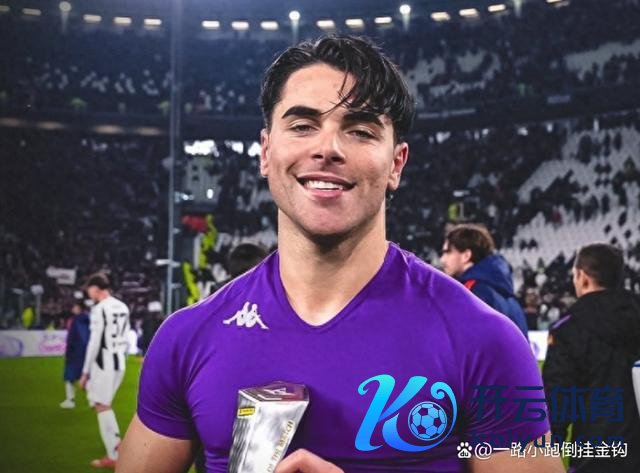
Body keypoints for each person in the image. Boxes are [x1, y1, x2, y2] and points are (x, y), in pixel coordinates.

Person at [117, 35, 563, 472]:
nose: (327, 148)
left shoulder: (485, 342)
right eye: (302, 125)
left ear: (396, 163)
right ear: (266, 152)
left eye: (361, 131)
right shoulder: (187, 338)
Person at [543, 243, 640, 472]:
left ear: (583, 277)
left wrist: (547, 455)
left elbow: (557, 400)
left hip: (596, 456)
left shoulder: (569, 328)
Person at [440, 223, 529, 337]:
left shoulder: (470, 292)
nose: (442, 260)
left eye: (447, 252)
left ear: (466, 255)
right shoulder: (511, 299)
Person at [80, 273, 130, 469]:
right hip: (119, 363)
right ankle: (116, 446)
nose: (88, 294)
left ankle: (114, 454)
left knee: (101, 405)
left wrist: (85, 372)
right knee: (102, 403)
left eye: (89, 290)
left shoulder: (99, 309)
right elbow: (126, 338)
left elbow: (94, 343)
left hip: (104, 363)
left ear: (95, 288)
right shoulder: (123, 306)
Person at [60, 301, 90, 409]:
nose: (72, 308)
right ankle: (94, 400)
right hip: (85, 354)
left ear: (78, 308)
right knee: (86, 378)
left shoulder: (76, 321)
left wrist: (69, 352)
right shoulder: (89, 320)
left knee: (69, 377)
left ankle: (70, 400)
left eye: (74, 306)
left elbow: (73, 338)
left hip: (75, 354)